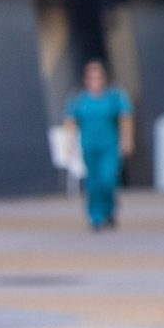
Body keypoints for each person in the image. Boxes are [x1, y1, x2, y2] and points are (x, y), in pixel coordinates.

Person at [64, 59, 134, 230]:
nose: (95, 80)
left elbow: (125, 118)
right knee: (93, 182)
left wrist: (127, 140)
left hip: (109, 145)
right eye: (91, 77)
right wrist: (69, 143)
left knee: (108, 178)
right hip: (89, 145)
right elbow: (70, 121)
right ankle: (95, 216)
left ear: (104, 78)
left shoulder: (114, 97)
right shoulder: (80, 99)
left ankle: (109, 209)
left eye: (98, 76)